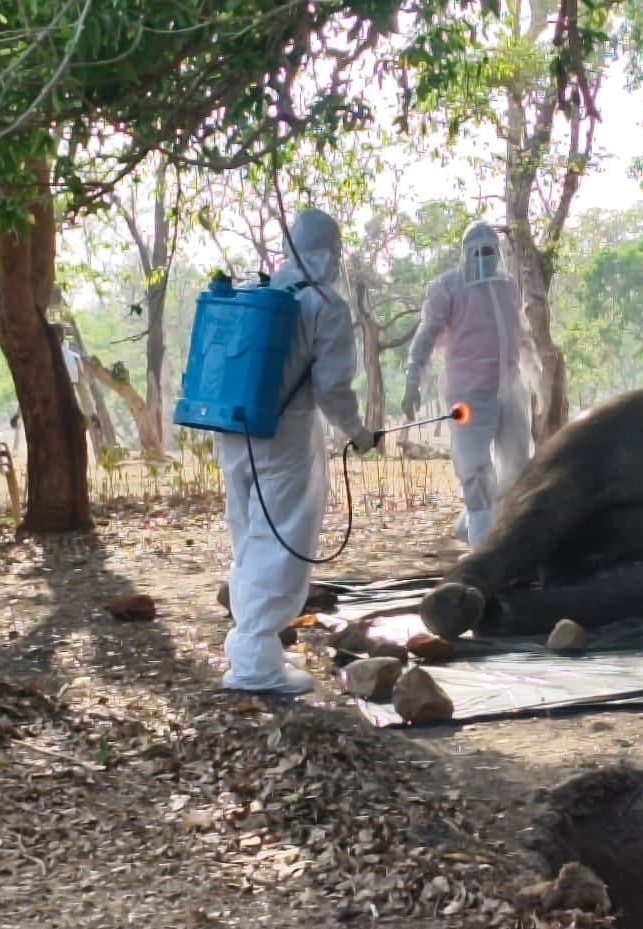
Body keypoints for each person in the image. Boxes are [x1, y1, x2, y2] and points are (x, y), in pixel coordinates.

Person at [218, 208, 375, 695]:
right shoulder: (324, 304)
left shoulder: (258, 293)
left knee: (249, 540)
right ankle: (255, 665)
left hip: (233, 431)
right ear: (328, 252)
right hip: (283, 439)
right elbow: (331, 388)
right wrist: (358, 432)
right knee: (280, 544)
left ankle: (252, 647)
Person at [402, 220, 536, 549]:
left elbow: (522, 334)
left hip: (510, 389)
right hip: (469, 392)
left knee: (517, 465)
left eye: (489, 251)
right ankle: (481, 538)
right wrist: (413, 378)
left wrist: (538, 377)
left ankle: (479, 526)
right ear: (464, 253)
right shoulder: (447, 287)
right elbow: (427, 334)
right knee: (474, 465)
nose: (483, 258)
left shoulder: (507, 287)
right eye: (477, 251)